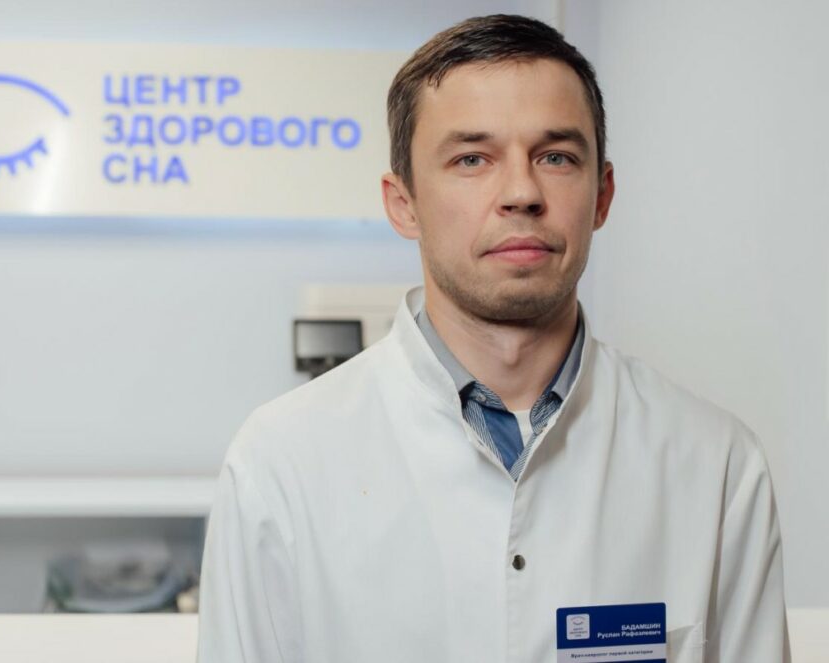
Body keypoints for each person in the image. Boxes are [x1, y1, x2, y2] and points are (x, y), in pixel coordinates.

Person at [196, 14, 790, 663]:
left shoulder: (716, 463)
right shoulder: (280, 463)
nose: (521, 193)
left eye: (556, 157)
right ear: (403, 203)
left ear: (602, 195)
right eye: (472, 159)